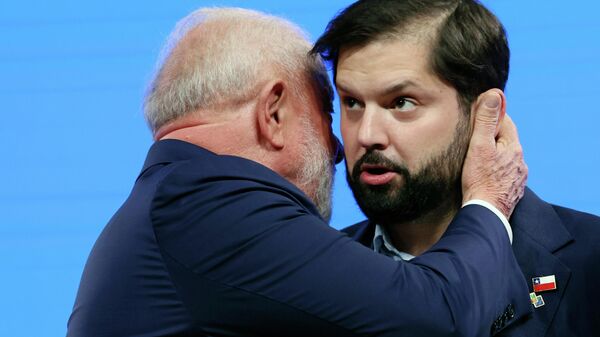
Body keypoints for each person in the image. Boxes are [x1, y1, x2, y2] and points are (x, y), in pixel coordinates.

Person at [67, 7, 531, 337]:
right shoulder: (208, 204)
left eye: (400, 104)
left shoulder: (171, 204)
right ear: (273, 113)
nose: (338, 147)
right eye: (335, 108)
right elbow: (440, 319)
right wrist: (488, 198)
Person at [312, 0, 600, 336]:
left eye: (401, 102)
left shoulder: (591, 260)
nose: (366, 135)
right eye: (352, 102)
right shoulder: (315, 275)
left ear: (485, 114)